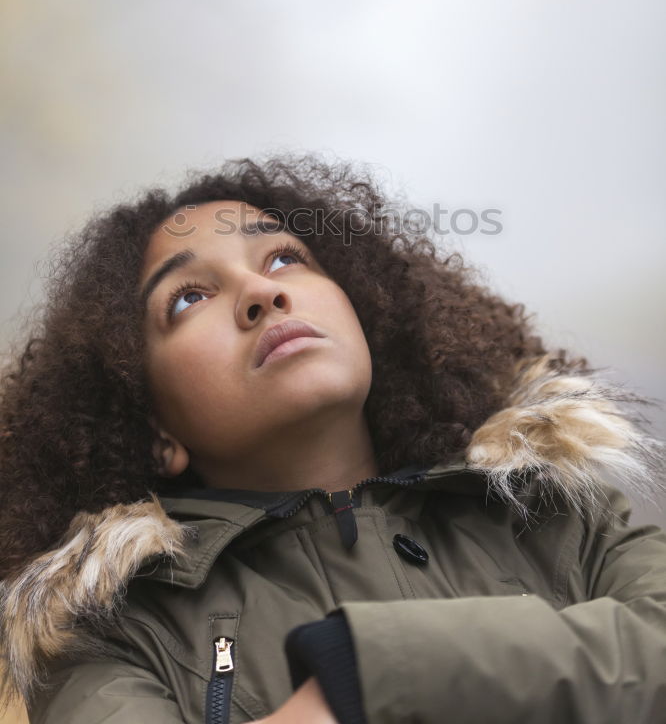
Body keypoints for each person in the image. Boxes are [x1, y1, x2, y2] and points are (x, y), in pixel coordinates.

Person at [0, 153, 665, 724]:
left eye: (286, 257)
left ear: (368, 316)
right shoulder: (108, 635)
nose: (261, 291)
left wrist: (364, 673)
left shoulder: (560, 518)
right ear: (154, 432)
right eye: (188, 297)